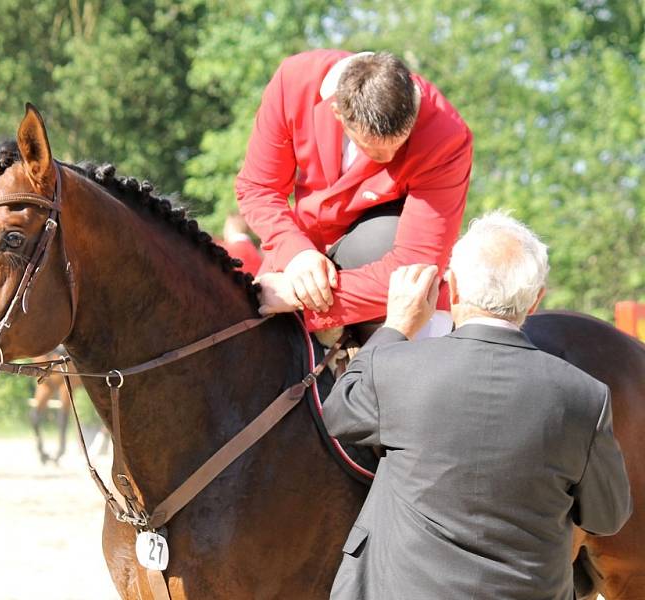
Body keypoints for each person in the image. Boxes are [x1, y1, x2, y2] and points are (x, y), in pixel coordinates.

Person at [322, 212, 632, 600]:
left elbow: (340, 411)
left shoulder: (398, 370)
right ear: (536, 299)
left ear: (451, 287)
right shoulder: (586, 397)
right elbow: (608, 516)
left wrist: (397, 325)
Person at [236, 49, 472, 338]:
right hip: (296, 259)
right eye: (371, 146)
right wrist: (295, 252)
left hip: (379, 274)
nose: (388, 157)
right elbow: (259, 187)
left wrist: (302, 300)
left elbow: (416, 266)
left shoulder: (447, 137)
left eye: (399, 144)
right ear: (338, 113)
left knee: (384, 238)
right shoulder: (293, 81)